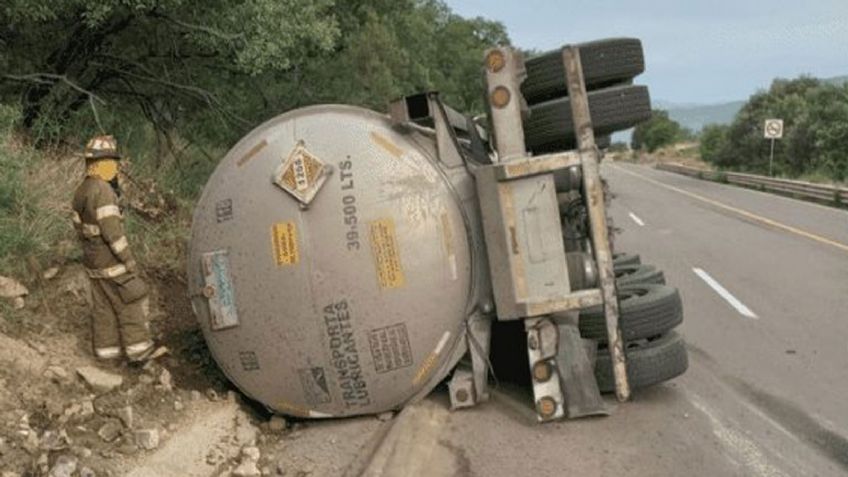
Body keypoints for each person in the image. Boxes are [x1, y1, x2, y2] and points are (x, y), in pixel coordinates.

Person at [71, 135, 167, 363]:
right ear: (101, 164)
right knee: (130, 300)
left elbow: (79, 227)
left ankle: (107, 355)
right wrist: (128, 260)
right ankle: (139, 352)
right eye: (111, 163)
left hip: (92, 261)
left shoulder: (81, 190)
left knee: (103, 308)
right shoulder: (103, 191)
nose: (115, 167)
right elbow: (112, 233)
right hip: (110, 261)